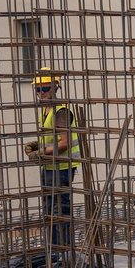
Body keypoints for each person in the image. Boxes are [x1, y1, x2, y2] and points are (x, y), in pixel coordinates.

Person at [23, 67, 80, 251]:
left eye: (45, 88)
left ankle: (61, 250)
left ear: (55, 87)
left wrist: (42, 152)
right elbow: (52, 137)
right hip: (50, 166)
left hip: (61, 167)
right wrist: (38, 145)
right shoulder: (46, 110)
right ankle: (53, 249)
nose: (41, 93)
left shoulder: (61, 111)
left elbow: (64, 143)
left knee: (59, 210)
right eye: (38, 89)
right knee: (49, 209)